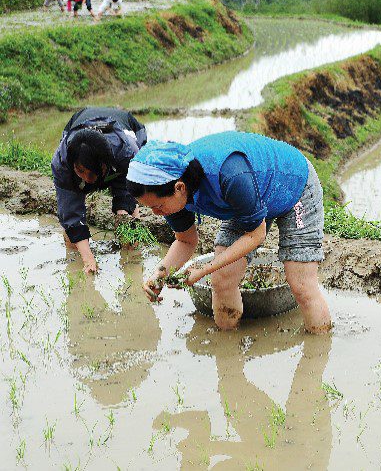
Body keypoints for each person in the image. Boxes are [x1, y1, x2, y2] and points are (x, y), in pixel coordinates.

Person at [126, 131, 331, 334]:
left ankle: (318, 347)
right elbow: (185, 242)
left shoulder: (229, 175)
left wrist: (204, 269)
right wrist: (159, 275)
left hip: (291, 185)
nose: (156, 213)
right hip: (246, 200)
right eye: (150, 208)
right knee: (222, 280)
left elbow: (255, 235)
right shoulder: (170, 193)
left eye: (158, 207)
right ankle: (228, 349)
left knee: (302, 285)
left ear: (179, 188)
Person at [52, 107, 148, 274]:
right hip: (80, 122)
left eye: (93, 173)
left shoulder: (128, 153)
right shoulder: (63, 162)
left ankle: (133, 263)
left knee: (127, 218)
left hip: (125, 139)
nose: (88, 179)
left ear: (105, 164)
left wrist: (124, 210)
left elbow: (129, 191)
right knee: (71, 231)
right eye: (81, 171)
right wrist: (88, 259)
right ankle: (75, 265)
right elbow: (70, 212)